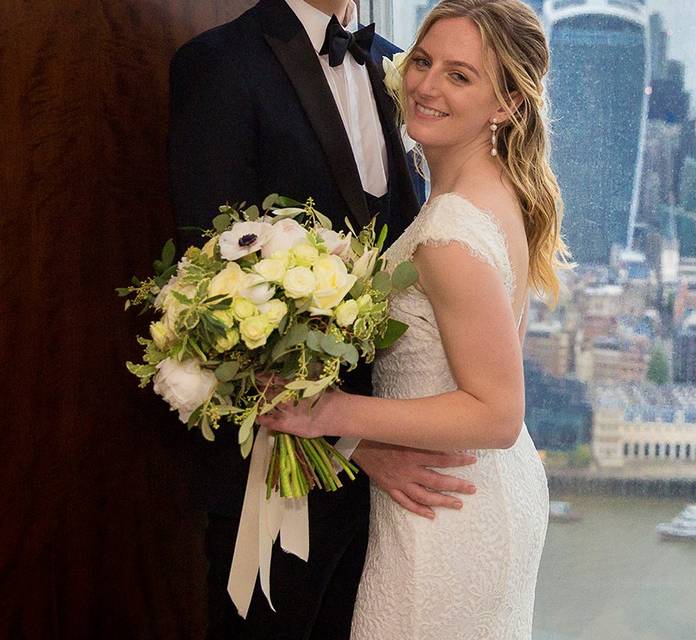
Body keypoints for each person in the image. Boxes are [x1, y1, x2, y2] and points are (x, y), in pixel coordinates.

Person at [167, 1, 478, 638]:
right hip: (280, 481)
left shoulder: (402, 70)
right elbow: (217, 289)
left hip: (396, 495)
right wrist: (356, 444)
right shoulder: (219, 66)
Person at [259, 1, 570, 637]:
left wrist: (333, 414)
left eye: (461, 76)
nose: (426, 85)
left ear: (507, 104)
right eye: (424, 62)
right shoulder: (492, 193)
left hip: (447, 506)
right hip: (468, 492)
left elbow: (498, 413)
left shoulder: (449, 234)